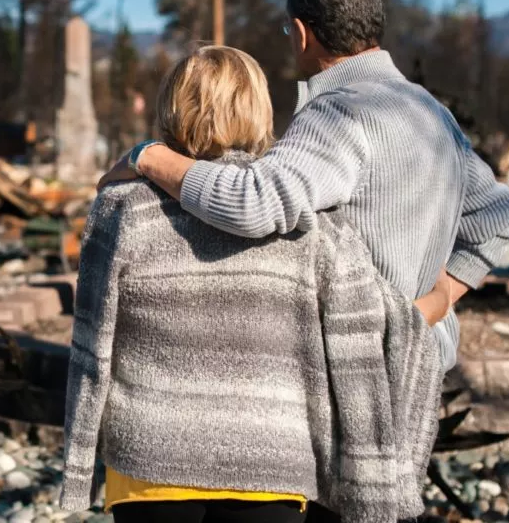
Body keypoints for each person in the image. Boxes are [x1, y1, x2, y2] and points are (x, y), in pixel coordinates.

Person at [60, 46, 446, 523]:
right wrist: (439, 299)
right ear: (260, 112)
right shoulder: (311, 226)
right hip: (274, 463)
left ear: (170, 109)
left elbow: (90, 347)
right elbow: (368, 330)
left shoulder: (121, 208)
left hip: (148, 459)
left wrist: (78, 467)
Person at [99, 0, 509, 375]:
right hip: (424, 361)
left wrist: (147, 156)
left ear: (301, 33)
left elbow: (251, 203)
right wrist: (440, 298)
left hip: (362, 371)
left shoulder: (339, 112)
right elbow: (495, 216)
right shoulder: (431, 112)